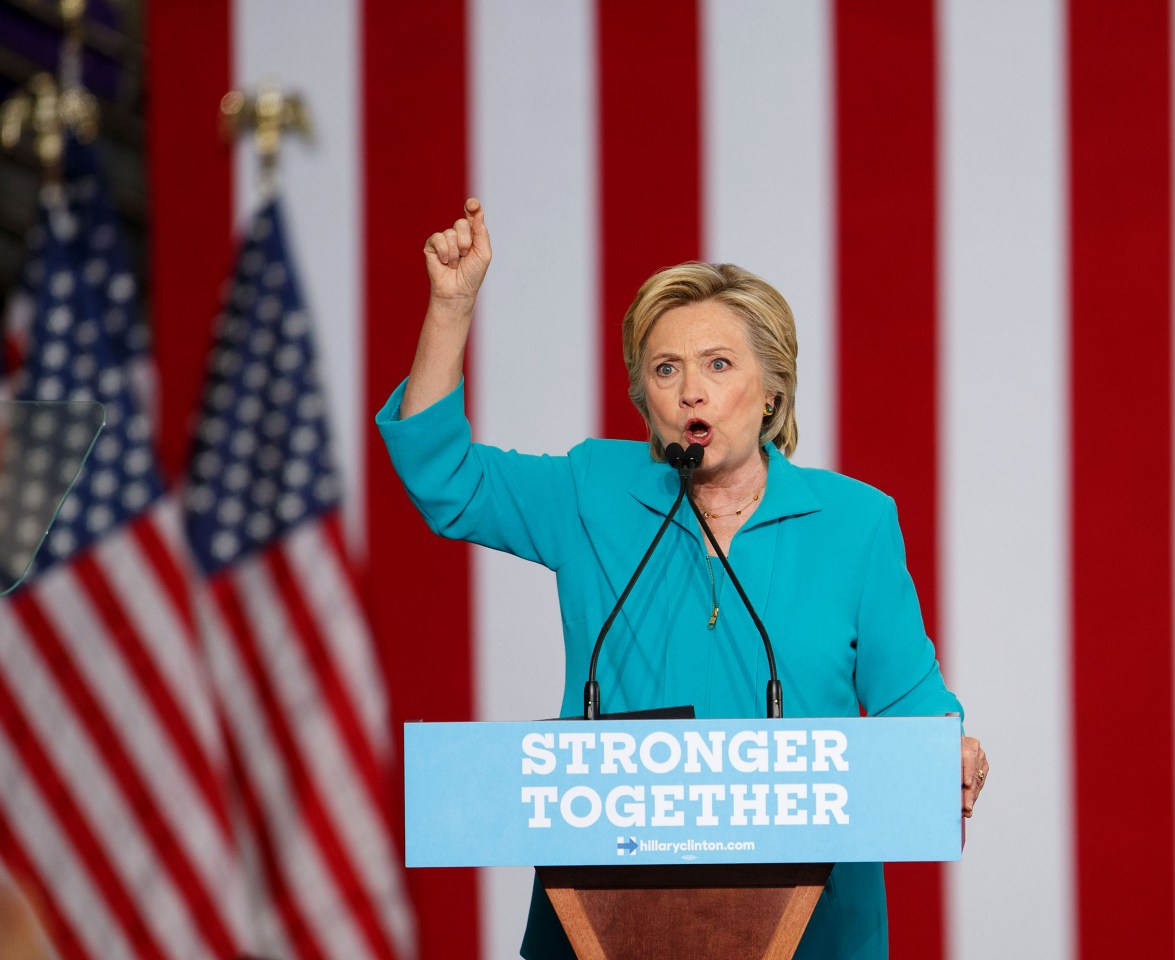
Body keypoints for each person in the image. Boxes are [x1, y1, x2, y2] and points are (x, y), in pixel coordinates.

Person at [376, 199, 989, 959]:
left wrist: (946, 745)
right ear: (644, 398)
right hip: (606, 916)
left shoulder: (854, 522)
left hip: (808, 922)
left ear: (771, 394)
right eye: (665, 370)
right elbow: (447, 478)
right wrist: (451, 307)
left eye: (718, 365)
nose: (690, 391)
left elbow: (909, 696)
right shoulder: (594, 490)